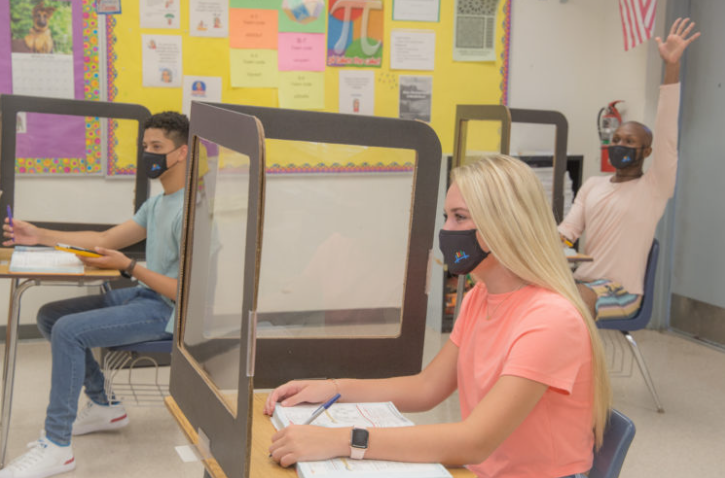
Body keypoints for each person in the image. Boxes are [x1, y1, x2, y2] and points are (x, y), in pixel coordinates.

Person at [264, 155, 611, 478]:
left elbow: (475, 441)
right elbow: (427, 388)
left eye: (459, 217)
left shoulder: (551, 319)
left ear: (505, 224)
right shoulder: (482, 295)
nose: (446, 230)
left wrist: (342, 440)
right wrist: (332, 389)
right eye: (447, 216)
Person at [0, 111, 189, 478]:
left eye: (157, 147)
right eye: (145, 146)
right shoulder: (159, 203)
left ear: (181, 153)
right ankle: (105, 406)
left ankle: (57, 448)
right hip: (146, 297)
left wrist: (131, 267)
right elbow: (103, 241)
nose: (148, 154)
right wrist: (39, 235)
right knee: (50, 316)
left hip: (167, 314)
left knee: (69, 330)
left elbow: (186, 294)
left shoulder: (191, 210)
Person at [558, 18, 700, 320]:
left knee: (569, 308)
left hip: (620, 293)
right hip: (581, 282)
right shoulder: (593, 186)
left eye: (630, 141)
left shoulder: (655, 187)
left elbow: (667, 133)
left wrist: (671, 68)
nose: (620, 144)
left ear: (646, 151)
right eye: (617, 139)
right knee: (531, 297)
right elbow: (568, 232)